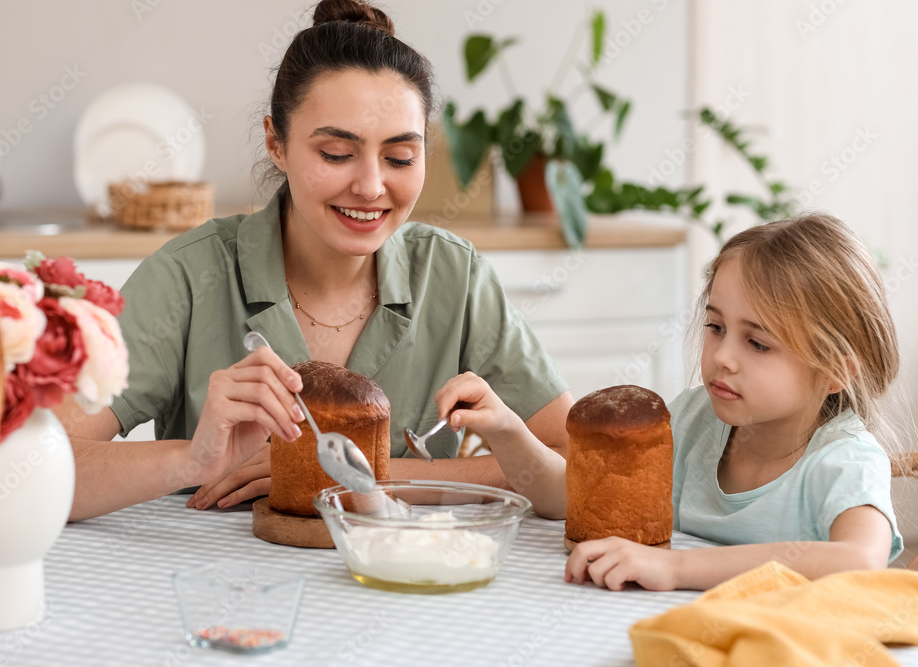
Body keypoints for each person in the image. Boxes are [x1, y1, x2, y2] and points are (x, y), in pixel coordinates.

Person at [57, 0, 573, 521]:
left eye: (400, 158)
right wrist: (192, 460)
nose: (371, 187)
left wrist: (370, 476)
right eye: (336, 154)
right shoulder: (189, 275)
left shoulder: (456, 278)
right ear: (275, 142)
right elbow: (32, 472)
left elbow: (579, 464)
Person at [438, 212, 904, 589]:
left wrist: (676, 570)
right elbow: (573, 499)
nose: (722, 357)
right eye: (716, 327)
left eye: (758, 343)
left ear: (836, 371)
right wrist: (507, 430)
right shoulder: (695, 420)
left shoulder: (844, 460)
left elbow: (857, 563)